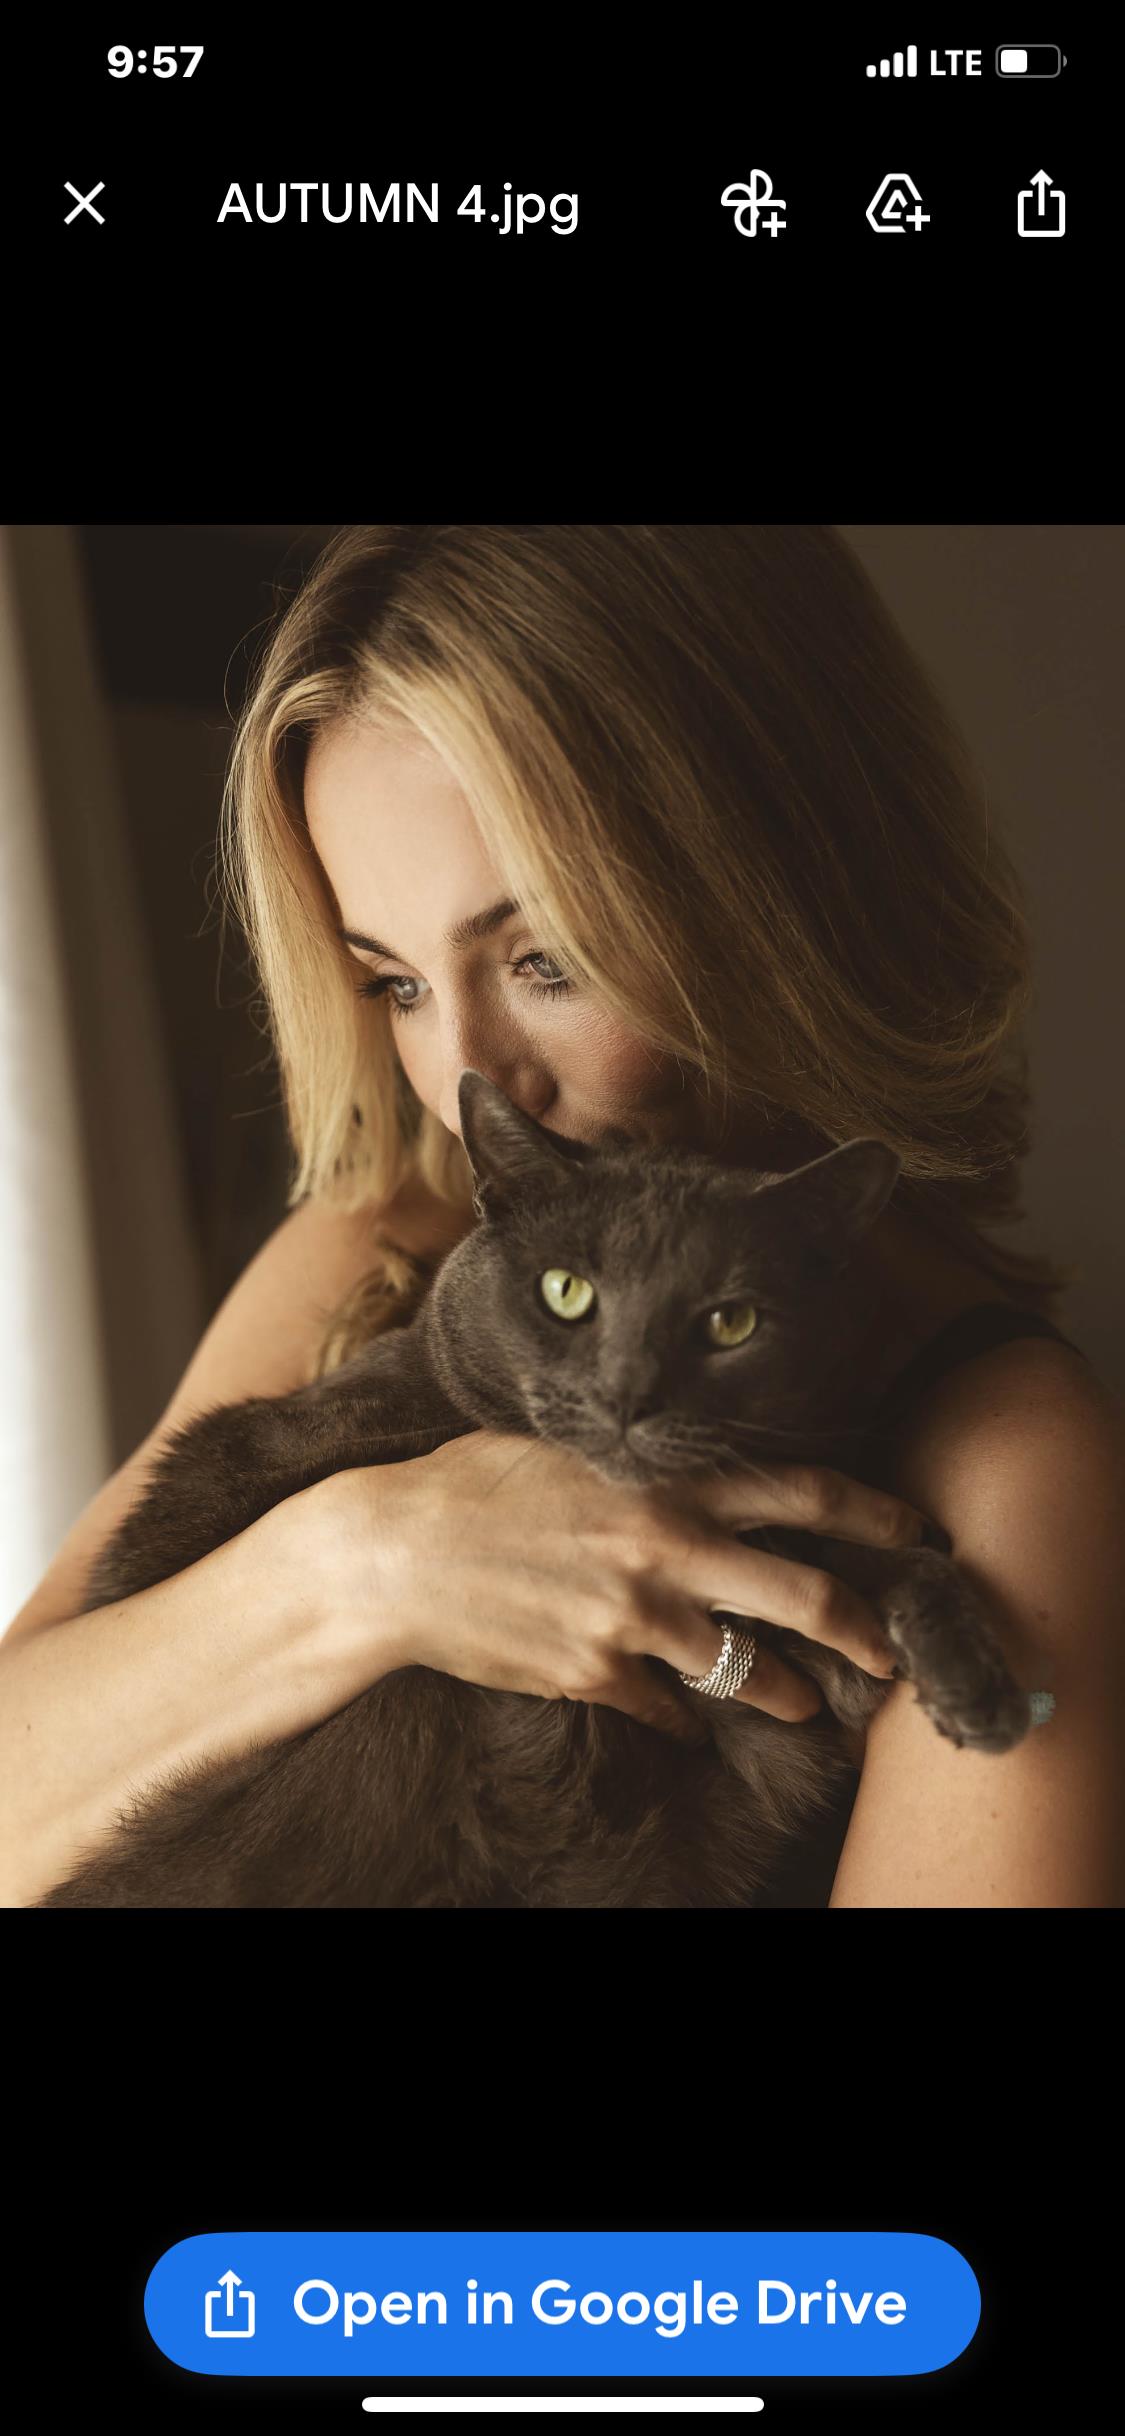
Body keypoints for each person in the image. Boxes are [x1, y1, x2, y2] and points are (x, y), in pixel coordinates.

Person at [3, 524, 1122, 1908]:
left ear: (771, 895)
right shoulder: (379, 1242)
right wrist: (370, 1563)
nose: (467, 1076)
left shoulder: (1005, 1458)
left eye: (543, 959)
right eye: (397, 984)